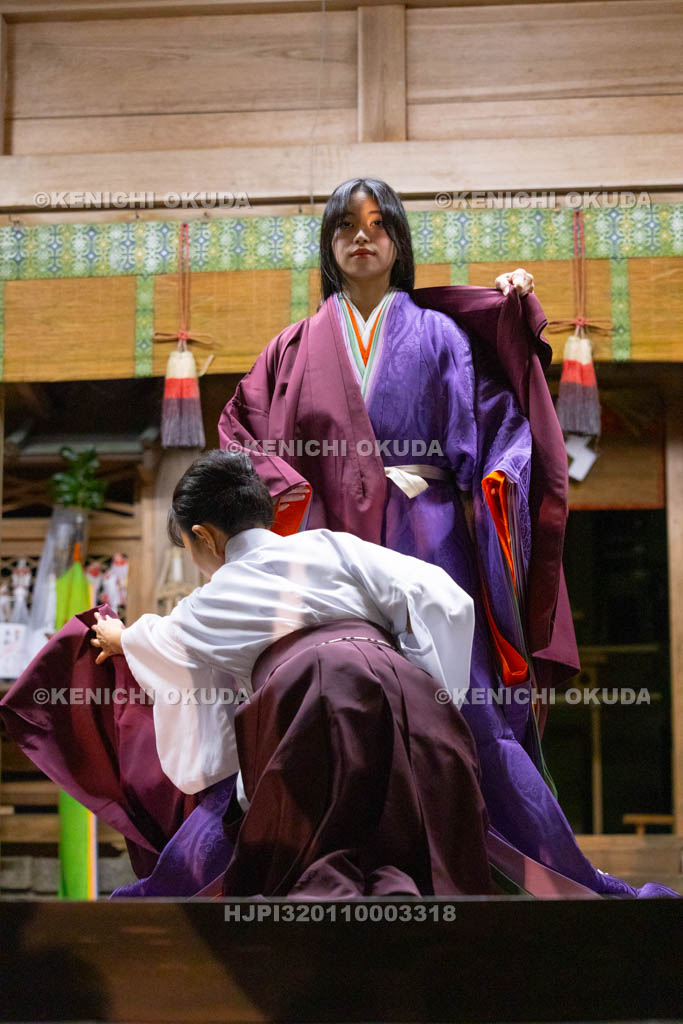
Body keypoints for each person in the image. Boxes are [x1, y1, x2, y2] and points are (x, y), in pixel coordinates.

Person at [217, 178, 677, 899]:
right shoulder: (289, 349)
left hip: (425, 537)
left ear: (398, 241)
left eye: (377, 224)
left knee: (453, 697)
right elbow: (240, 435)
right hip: (327, 544)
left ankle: (475, 864)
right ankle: (330, 858)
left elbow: (502, 432)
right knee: (327, 692)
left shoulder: (439, 335)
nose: (360, 236)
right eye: (344, 225)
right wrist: (297, 493)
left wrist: (497, 475)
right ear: (327, 244)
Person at [89, 448, 497, 898]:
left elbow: (161, 643)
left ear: (203, 537)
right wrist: (426, 692)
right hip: (402, 689)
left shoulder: (208, 602)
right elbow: (444, 598)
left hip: (307, 704)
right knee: (412, 842)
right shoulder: (331, 544)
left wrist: (119, 638)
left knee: (321, 860)